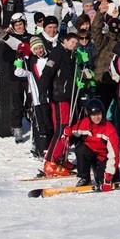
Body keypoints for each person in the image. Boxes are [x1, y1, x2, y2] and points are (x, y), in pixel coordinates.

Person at [40, 33, 80, 175]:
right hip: (59, 95)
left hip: (67, 95)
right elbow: (47, 72)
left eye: (76, 43)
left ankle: (61, 157)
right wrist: (43, 91)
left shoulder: (70, 55)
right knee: (62, 128)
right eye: (72, 42)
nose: (74, 45)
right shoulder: (58, 53)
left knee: (67, 128)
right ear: (65, 41)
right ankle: (51, 161)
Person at [67, 99, 120, 189]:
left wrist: (109, 175)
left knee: (101, 180)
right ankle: (84, 177)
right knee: (80, 149)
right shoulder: (85, 123)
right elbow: (74, 131)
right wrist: (68, 133)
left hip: (104, 157)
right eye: (93, 115)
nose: (96, 118)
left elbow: (114, 154)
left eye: (98, 114)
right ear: (89, 115)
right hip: (91, 154)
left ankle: (112, 175)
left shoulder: (109, 129)